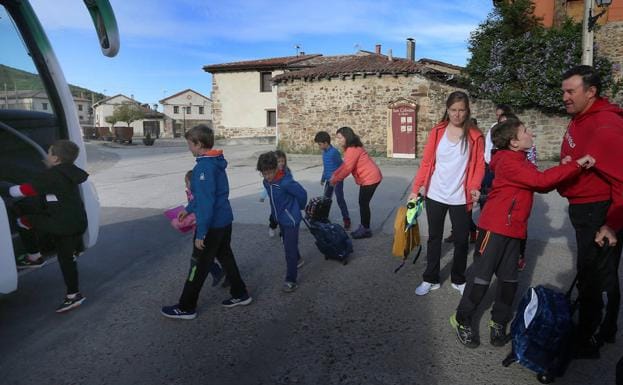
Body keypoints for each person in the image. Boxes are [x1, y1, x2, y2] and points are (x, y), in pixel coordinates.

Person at [449, 118, 595, 348]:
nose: (531, 133)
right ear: (514, 142)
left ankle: (498, 322)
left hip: (515, 229)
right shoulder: (508, 161)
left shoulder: (520, 159)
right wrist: (575, 164)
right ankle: (461, 319)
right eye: (525, 131)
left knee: (509, 282)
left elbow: (543, 184)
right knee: (481, 278)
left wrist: (566, 166)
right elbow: (540, 181)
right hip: (495, 228)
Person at [557, 65, 623, 358]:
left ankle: (590, 338)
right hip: (583, 209)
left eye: (571, 91)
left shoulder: (605, 124)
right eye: (563, 91)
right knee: (592, 273)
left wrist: (611, 224)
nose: (565, 97)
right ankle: (602, 329)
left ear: (591, 91)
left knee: (597, 278)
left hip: (598, 212)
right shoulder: (582, 116)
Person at [161, 124, 252, 320]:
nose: (188, 148)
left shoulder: (204, 167)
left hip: (212, 225)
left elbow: (206, 204)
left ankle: (186, 307)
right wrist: (188, 209)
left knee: (198, 265)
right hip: (223, 220)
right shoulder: (214, 162)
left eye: (189, 144)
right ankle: (240, 293)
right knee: (226, 257)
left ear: (199, 144)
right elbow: (206, 198)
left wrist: (201, 233)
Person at [411, 91, 485, 296]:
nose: (457, 114)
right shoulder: (437, 132)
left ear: (467, 111)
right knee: (434, 238)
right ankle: (430, 278)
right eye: (453, 110)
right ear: (447, 109)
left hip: (461, 197)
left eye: (461, 110)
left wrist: (475, 186)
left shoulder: (475, 136)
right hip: (435, 194)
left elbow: (479, 165)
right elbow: (426, 162)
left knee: (462, 240)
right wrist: (415, 189)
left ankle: (458, 278)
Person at [9, 140, 89, 312]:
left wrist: (7, 188)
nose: (46, 155)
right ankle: (73, 295)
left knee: (22, 221)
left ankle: (34, 257)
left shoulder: (52, 175)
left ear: (56, 159)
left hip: (60, 224)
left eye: (49, 152)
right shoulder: (71, 172)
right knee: (67, 259)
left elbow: (20, 191)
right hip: (76, 221)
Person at [257, 151, 307, 292]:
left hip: (291, 220)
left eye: (270, 173)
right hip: (280, 219)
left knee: (288, 249)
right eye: (264, 174)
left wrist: (301, 208)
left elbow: (302, 194)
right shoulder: (266, 182)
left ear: (276, 168)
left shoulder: (285, 182)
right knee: (288, 243)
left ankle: (291, 280)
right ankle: (298, 259)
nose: (267, 177)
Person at [168, 170, 225, 287]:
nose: (186, 186)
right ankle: (223, 273)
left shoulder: (197, 195)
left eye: (186, 183)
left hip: (203, 231)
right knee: (215, 254)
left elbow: (198, 214)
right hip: (204, 230)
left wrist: (177, 222)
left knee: (200, 258)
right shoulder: (194, 193)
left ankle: (218, 273)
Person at [329, 126, 382, 239]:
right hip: (369, 177)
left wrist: (334, 180)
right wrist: (335, 174)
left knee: (363, 203)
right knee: (363, 203)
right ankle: (364, 227)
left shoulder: (352, 149)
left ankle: (366, 229)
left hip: (370, 178)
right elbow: (345, 165)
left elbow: (347, 169)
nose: (338, 141)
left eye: (340, 138)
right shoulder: (351, 148)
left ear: (346, 137)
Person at [314, 131, 350, 229]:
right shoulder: (324, 153)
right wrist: (323, 178)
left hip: (337, 180)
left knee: (340, 199)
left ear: (326, 143)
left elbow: (342, 165)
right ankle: (324, 218)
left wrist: (337, 177)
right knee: (326, 200)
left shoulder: (334, 153)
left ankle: (346, 219)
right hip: (328, 181)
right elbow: (326, 167)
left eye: (320, 144)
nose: (319, 146)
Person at [260, 150, 289, 238]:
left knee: (284, 219)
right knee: (274, 218)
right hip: (274, 203)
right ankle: (272, 227)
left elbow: (290, 184)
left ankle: (282, 235)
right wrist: (262, 196)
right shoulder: (271, 174)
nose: (281, 163)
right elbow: (267, 186)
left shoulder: (287, 172)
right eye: (279, 161)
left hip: (284, 202)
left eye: (282, 161)